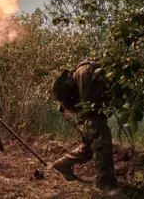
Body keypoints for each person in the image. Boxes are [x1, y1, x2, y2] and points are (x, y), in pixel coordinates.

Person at [51, 59, 117, 190]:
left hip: (84, 106)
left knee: (90, 144)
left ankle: (63, 164)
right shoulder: (87, 72)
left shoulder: (114, 76)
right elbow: (88, 108)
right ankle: (105, 185)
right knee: (101, 136)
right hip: (70, 108)